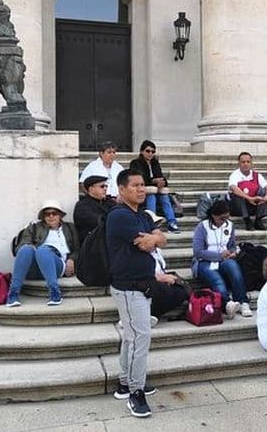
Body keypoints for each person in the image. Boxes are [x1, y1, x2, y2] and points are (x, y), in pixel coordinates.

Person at [107, 170, 167, 417]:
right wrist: (153, 239)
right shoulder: (119, 215)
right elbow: (143, 243)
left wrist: (154, 237)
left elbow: (161, 239)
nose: (141, 189)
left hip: (142, 285)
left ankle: (125, 382)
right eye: (135, 185)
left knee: (132, 337)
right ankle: (135, 392)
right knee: (140, 338)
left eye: (143, 185)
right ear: (122, 190)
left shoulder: (142, 215)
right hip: (128, 287)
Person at [7, 200, 79, 307]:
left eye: (54, 213)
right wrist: (31, 247)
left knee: (43, 250)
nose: (51, 216)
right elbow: (20, 248)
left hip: (56, 264)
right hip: (35, 266)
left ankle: (54, 291)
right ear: (43, 216)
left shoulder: (70, 228)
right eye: (47, 214)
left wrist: (72, 259)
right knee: (27, 249)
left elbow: (78, 249)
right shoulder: (34, 227)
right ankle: (13, 293)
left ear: (60, 215)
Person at [191, 199, 252, 319]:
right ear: (214, 215)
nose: (224, 221)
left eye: (226, 218)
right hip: (204, 261)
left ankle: (242, 301)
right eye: (221, 218)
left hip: (224, 259)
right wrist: (219, 256)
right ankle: (226, 303)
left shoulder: (229, 225)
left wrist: (233, 252)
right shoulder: (202, 227)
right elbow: (198, 252)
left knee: (234, 269)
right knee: (216, 280)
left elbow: (232, 245)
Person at [128, 140, 180, 233]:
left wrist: (162, 182)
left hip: (155, 189)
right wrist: (153, 181)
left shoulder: (155, 163)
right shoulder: (135, 163)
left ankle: (171, 223)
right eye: (148, 151)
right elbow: (138, 178)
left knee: (164, 196)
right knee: (151, 196)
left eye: (153, 151)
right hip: (142, 190)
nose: (150, 153)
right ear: (141, 151)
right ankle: (152, 223)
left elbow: (160, 176)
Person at [227, 152, 267, 231]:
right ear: (239, 163)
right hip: (238, 207)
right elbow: (233, 188)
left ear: (251, 163)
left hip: (253, 205)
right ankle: (247, 220)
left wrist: (266, 197)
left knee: (263, 191)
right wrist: (248, 198)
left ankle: (258, 220)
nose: (246, 164)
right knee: (239, 192)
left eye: (248, 162)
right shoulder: (235, 175)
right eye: (243, 162)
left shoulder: (257, 175)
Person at [148, 247, 189, 323]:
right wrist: (163, 278)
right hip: (147, 280)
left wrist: (168, 277)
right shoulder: (138, 254)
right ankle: (137, 317)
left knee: (181, 292)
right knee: (165, 290)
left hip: (161, 278)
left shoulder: (157, 251)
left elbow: (161, 269)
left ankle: (152, 315)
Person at [73, 175, 116, 241]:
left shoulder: (109, 202)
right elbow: (100, 223)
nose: (105, 188)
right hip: (93, 245)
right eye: (102, 186)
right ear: (91, 189)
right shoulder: (82, 206)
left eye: (106, 186)